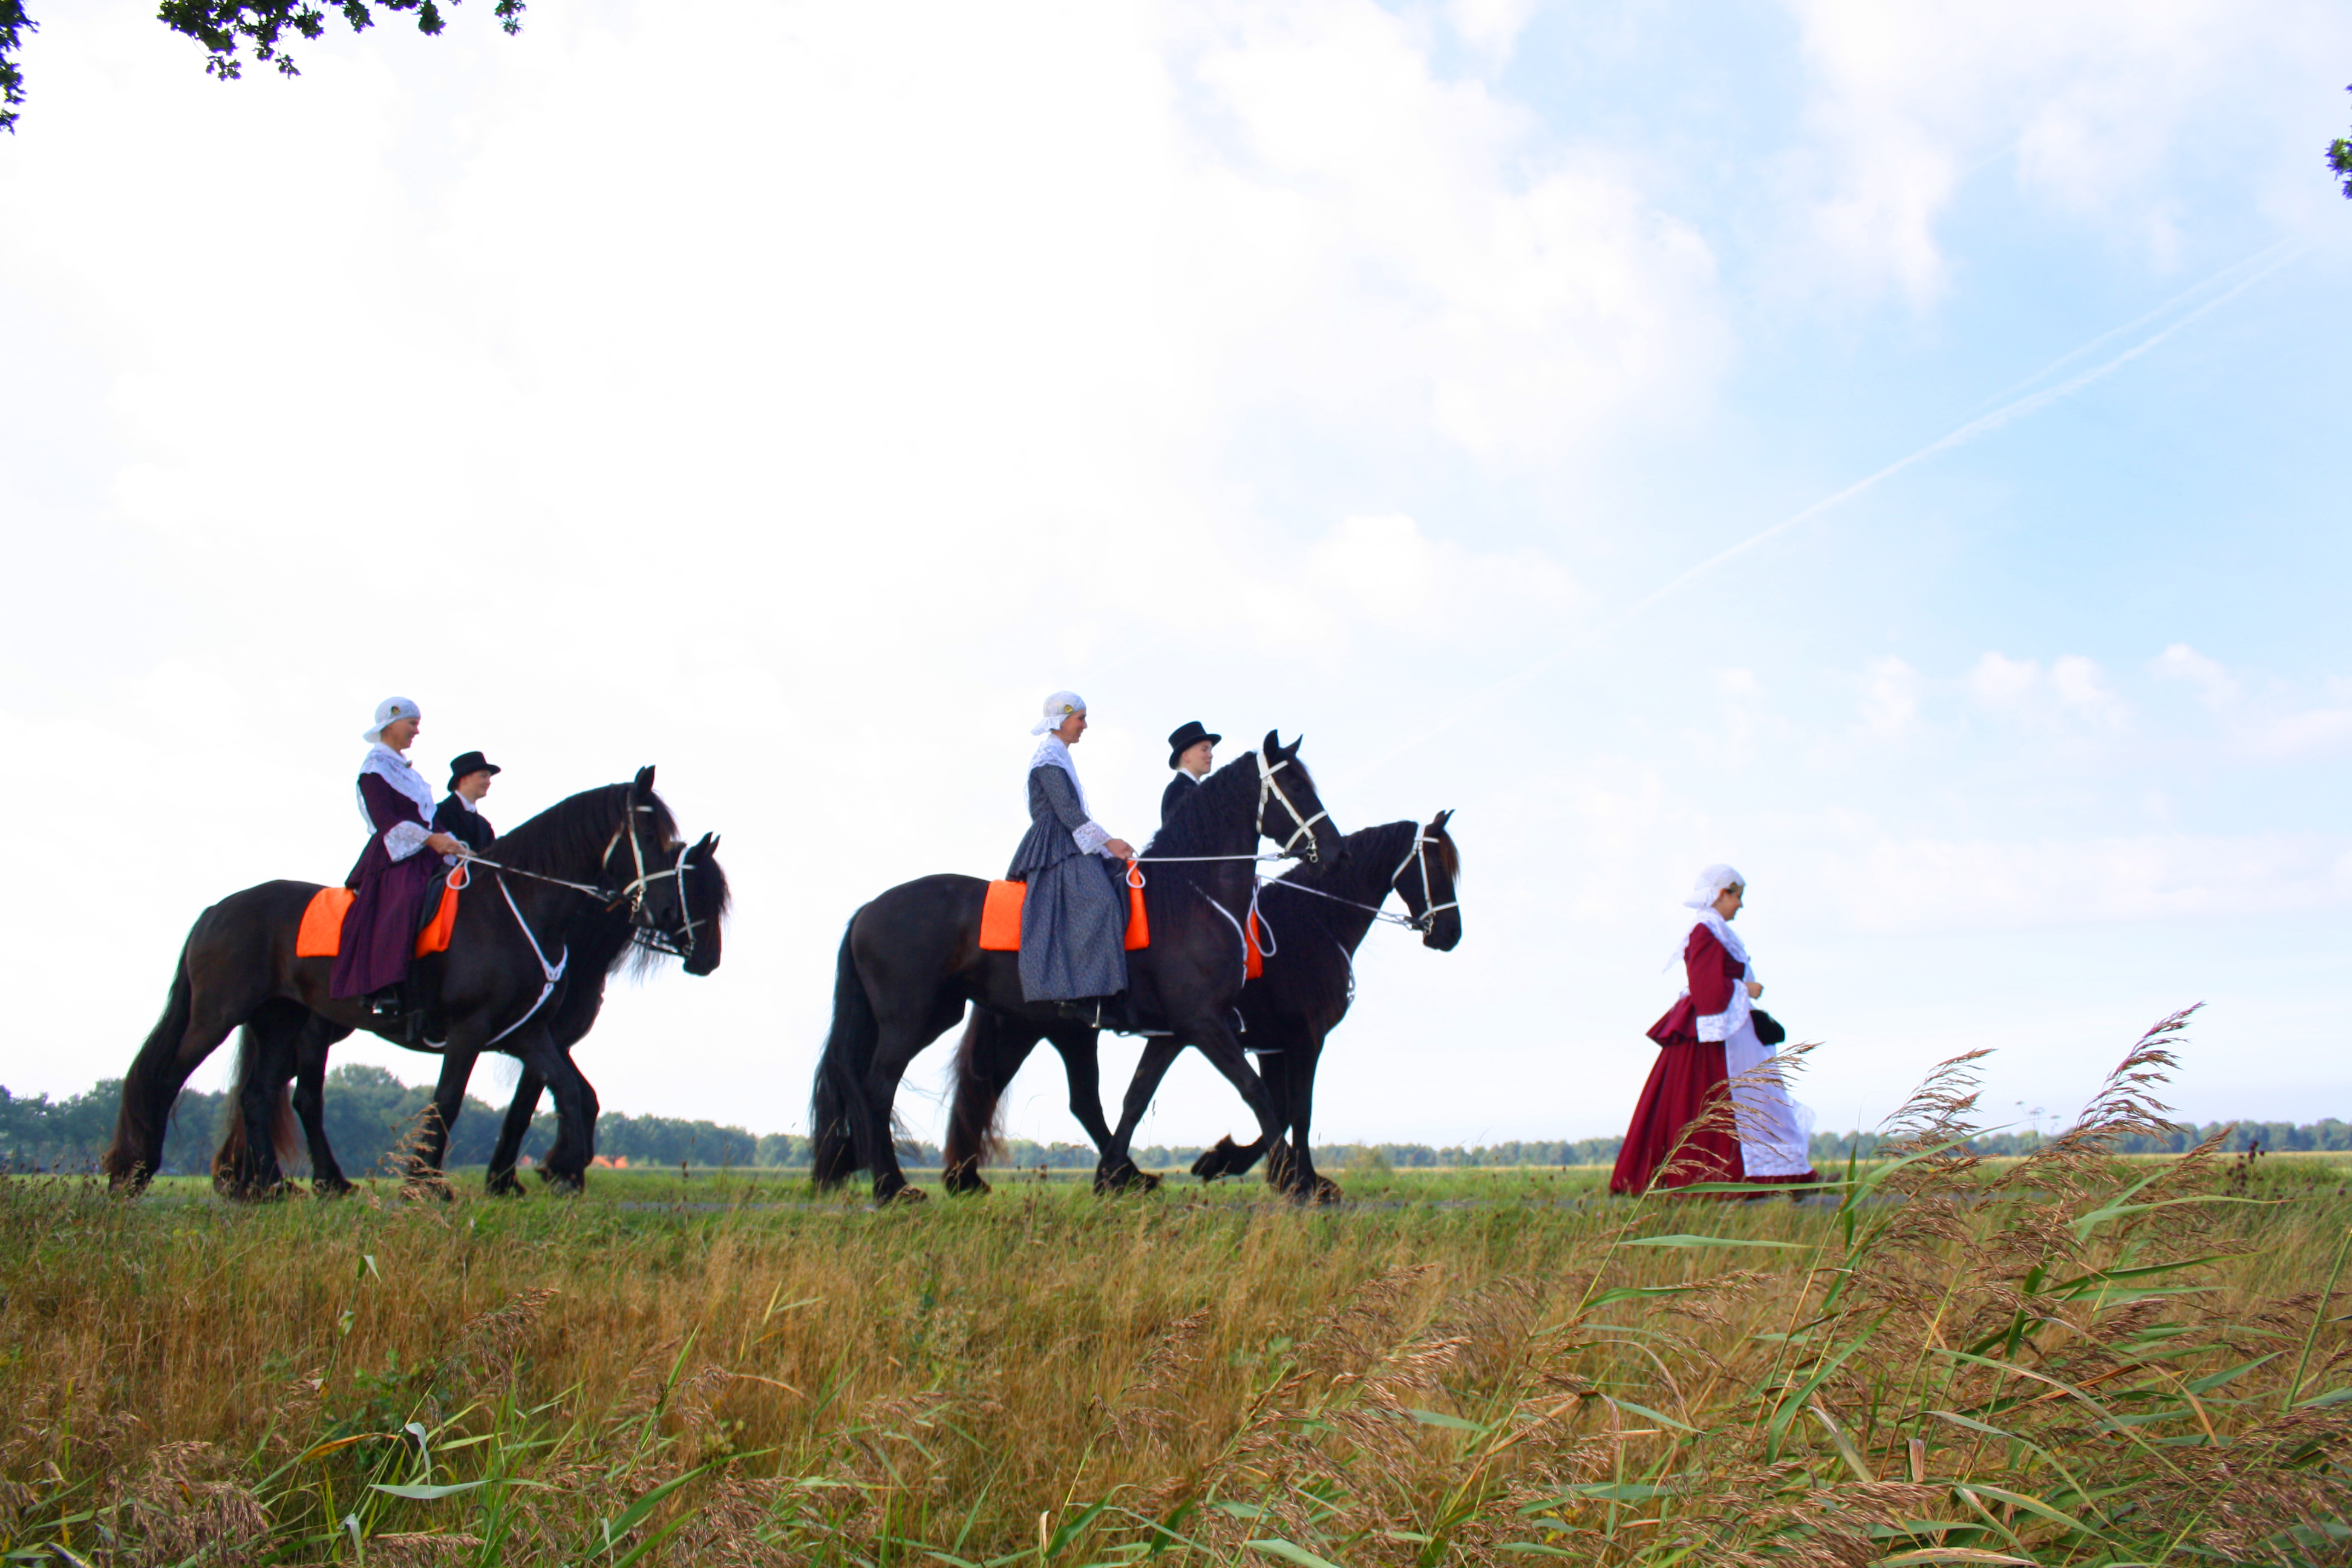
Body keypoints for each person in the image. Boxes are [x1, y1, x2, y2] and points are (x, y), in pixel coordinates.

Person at [1610, 865, 1818, 1197]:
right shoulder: (1706, 931)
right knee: (1716, 1100)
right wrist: (1745, 989)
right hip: (1715, 1035)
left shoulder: (1714, 930)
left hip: (1726, 1029)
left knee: (1741, 1100)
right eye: (1738, 897)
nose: (1741, 906)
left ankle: (1768, 1172)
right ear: (1722, 894)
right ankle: (1721, 1175)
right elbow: (1706, 989)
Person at [331, 697, 468, 1018]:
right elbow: (385, 820)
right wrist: (431, 839)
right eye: (412, 724)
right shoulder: (374, 769)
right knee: (407, 897)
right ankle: (384, 988)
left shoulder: (409, 772)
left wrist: (454, 842)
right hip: (395, 854)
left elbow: (429, 817)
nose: (416, 731)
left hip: (427, 851)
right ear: (391, 725)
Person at [1007, 691, 1137, 1019]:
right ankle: (1082, 994)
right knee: (1101, 901)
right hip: (1056, 843)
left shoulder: (1058, 754)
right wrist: (1108, 842)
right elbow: (1066, 810)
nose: (1085, 725)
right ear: (1062, 720)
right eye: (1080, 718)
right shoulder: (1049, 757)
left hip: (1066, 838)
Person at [433, 750, 501, 853]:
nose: (488, 782)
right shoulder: (439, 812)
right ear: (463, 779)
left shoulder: (485, 826)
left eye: (489, 777)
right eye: (483, 776)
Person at [1160, 720, 1220, 825]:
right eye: (1204, 750)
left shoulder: (1199, 789)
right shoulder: (1178, 789)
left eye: (1210, 750)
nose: (1210, 755)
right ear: (1186, 756)